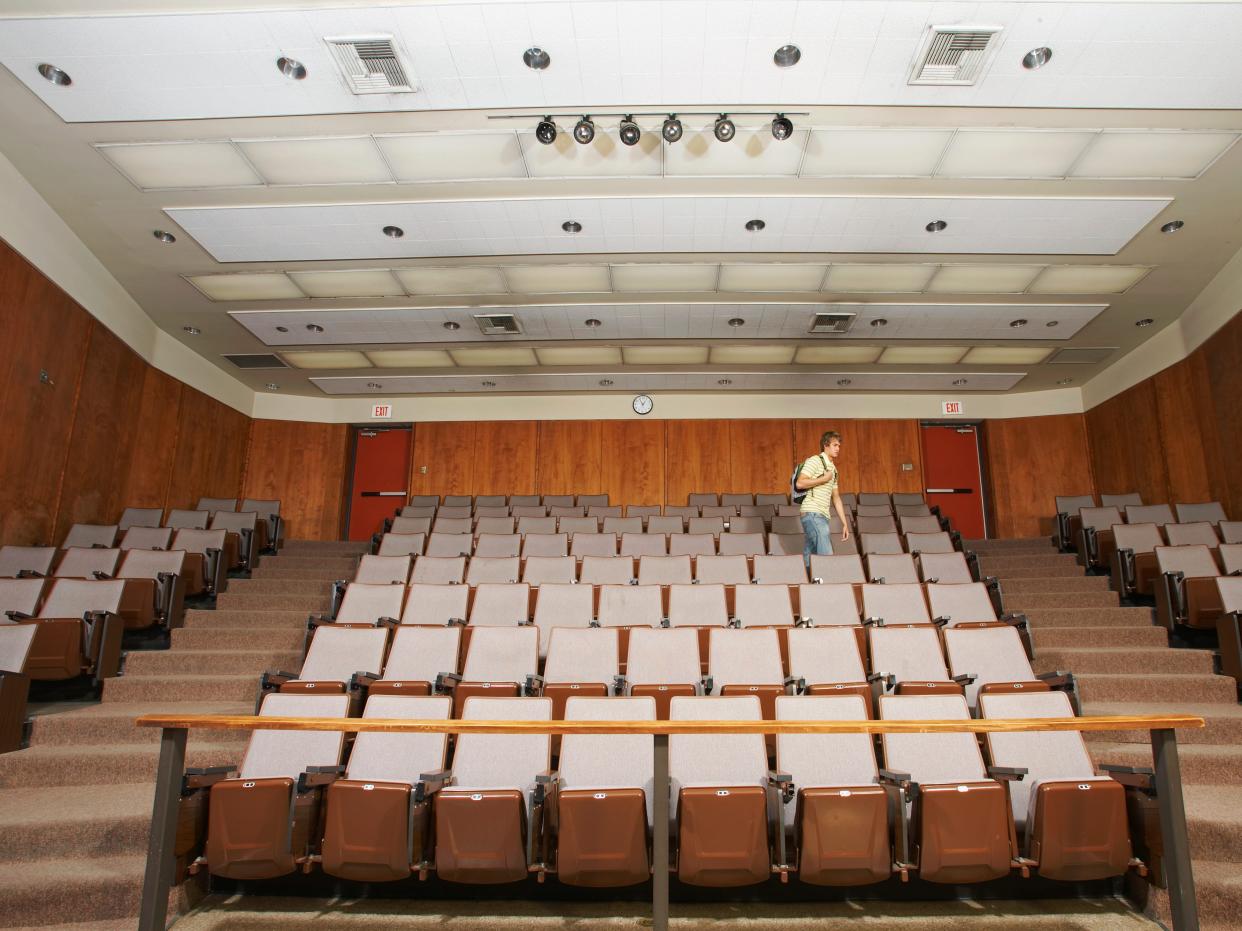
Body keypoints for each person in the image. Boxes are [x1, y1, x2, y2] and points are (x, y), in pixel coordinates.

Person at [796, 431, 850, 567]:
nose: (838, 448)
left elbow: (836, 498)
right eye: (835, 445)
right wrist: (823, 479)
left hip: (823, 516)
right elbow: (800, 483)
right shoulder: (815, 460)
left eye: (839, 445)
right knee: (826, 555)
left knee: (811, 555)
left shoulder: (834, 469)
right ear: (826, 445)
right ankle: (828, 583)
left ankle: (808, 584)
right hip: (812, 513)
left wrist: (845, 523)